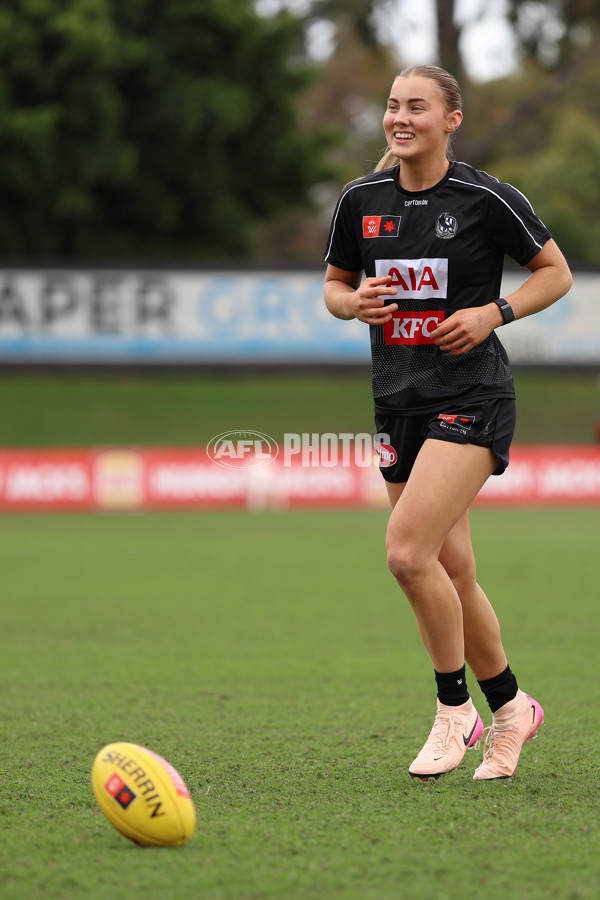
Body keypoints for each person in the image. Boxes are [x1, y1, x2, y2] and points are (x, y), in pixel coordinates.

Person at [323, 65, 572, 781]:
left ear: (451, 120)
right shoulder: (360, 200)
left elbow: (553, 271)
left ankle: (453, 707)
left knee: (406, 553)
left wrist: (495, 313)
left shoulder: (484, 197)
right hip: (395, 400)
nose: (401, 118)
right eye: (393, 106)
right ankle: (512, 707)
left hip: (472, 395)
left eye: (417, 107)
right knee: (451, 570)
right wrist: (354, 304)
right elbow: (335, 289)